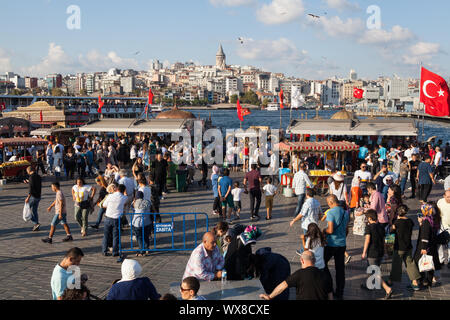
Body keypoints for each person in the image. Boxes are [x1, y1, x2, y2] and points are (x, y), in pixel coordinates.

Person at [259, 251, 332, 300]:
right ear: (315, 261)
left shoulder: (299, 274)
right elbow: (330, 295)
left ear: (302, 260)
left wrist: (270, 296)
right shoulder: (325, 275)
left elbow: (282, 286)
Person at [387, 205, 421, 291]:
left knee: (396, 265)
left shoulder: (397, 222)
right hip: (408, 246)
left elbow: (391, 233)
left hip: (399, 247)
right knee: (410, 263)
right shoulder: (410, 221)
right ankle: (415, 283)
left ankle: (390, 281)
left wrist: (388, 248)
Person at [360, 209, 393, 299]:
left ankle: (387, 289)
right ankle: (369, 285)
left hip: (372, 252)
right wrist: (385, 252)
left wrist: (363, 252)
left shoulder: (369, 227)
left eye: (367, 218)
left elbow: (367, 240)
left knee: (375, 272)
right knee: (373, 269)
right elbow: (384, 241)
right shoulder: (381, 227)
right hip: (380, 252)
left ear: (370, 218)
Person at [322, 195, 349, 300]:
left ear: (331, 202)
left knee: (323, 264)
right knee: (340, 269)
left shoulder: (331, 212)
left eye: (328, 203)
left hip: (331, 244)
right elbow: (347, 230)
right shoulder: (345, 213)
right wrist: (342, 238)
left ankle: (329, 288)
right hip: (342, 245)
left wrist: (324, 231)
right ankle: (340, 292)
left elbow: (330, 230)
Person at [414, 203, 441, 287]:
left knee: (420, 263)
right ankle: (428, 281)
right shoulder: (431, 219)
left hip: (425, 246)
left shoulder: (426, 221)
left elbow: (425, 235)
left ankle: (421, 281)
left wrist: (423, 247)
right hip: (432, 245)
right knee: (430, 264)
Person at [290, 188, 323, 255]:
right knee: (312, 237)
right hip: (315, 223)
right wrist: (319, 218)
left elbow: (302, 214)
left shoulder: (307, 203)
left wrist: (294, 220)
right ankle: (311, 250)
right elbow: (320, 213)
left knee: (307, 238)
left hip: (307, 224)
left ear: (306, 194)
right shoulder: (317, 202)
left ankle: (304, 251)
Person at [102, 184, 128, 257]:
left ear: (117, 189)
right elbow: (126, 202)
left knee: (106, 235)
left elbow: (104, 205)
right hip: (117, 219)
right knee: (115, 236)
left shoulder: (110, 196)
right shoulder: (124, 197)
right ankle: (115, 252)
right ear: (123, 190)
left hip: (108, 217)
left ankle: (104, 250)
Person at [132, 191, 152, 256]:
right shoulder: (148, 202)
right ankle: (147, 248)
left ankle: (141, 250)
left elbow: (132, 208)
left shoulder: (135, 203)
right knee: (146, 236)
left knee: (139, 237)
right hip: (147, 221)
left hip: (137, 222)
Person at [24, 166, 42, 231]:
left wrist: (28, 198)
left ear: (29, 171)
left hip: (33, 196)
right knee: (34, 211)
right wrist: (29, 182)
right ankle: (36, 225)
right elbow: (35, 184)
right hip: (38, 196)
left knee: (27, 211)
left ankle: (36, 223)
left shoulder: (31, 177)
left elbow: (31, 189)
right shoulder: (38, 176)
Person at [437, 190, 450, 268]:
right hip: (442, 226)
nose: (449, 199)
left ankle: (449, 260)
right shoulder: (440, 202)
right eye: (448, 197)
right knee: (440, 244)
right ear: (444, 196)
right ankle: (440, 260)